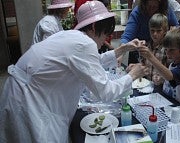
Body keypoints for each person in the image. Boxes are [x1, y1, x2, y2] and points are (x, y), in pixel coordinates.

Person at [0, 1, 148, 142]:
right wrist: (133, 75)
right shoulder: (84, 44)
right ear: (95, 27)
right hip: (28, 100)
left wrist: (123, 48)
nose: (105, 39)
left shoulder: (72, 37)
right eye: (105, 33)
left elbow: (92, 62)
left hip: (22, 91)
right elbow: (106, 92)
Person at [140, 28, 180, 106]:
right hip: (168, 102)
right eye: (166, 50)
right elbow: (170, 79)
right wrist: (161, 78)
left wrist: (150, 57)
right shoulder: (172, 63)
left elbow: (170, 76)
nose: (167, 53)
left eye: (171, 50)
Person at [120, 0, 179, 65]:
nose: (151, 9)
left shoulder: (166, 9)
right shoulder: (137, 12)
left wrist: (172, 33)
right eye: (149, 6)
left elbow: (176, 27)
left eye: (154, 7)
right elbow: (126, 37)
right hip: (140, 51)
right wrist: (121, 52)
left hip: (161, 51)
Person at [143, 13, 169, 88]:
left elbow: (171, 73)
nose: (154, 34)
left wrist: (162, 78)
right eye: (152, 30)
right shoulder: (146, 46)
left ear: (165, 31)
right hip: (146, 86)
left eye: (158, 31)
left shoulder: (167, 50)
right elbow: (143, 64)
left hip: (161, 88)